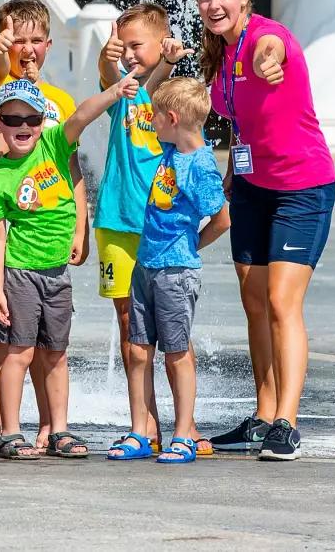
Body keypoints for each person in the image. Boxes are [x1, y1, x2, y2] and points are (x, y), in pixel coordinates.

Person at [195, 0, 334, 461]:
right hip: (252, 188)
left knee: (280, 301)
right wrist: (234, 169)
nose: (213, 5)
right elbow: (239, 118)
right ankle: (263, 414)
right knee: (254, 301)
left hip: (302, 187)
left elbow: (270, 50)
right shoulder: (221, 51)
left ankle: (286, 425)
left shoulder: (265, 38)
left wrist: (268, 61)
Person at [0, 76, 137, 460]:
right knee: (19, 353)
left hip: (57, 274)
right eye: (12, 119)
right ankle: (10, 432)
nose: (23, 126)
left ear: (43, 122)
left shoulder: (53, 145)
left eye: (32, 119)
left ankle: (59, 428)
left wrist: (113, 93)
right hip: (20, 273)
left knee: (56, 353)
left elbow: (81, 116)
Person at [95, 3, 212, 454]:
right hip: (116, 222)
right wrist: (107, 57)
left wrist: (166, 61)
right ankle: (144, 424)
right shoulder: (124, 91)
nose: (128, 53)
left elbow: (157, 85)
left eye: (135, 45)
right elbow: (111, 78)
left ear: (161, 44)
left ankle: (186, 425)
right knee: (133, 330)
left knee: (174, 334)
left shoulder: (168, 105)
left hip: (159, 229)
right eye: (122, 45)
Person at [0, 0, 88, 450]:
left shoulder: (59, 101)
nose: (27, 49)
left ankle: (49, 424)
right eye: (16, 40)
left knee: (47, 345)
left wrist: (80, 226)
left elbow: (71, 170)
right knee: (8, 342)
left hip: (45, 237)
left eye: (36, 40)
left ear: (48, 45)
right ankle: (1, 425)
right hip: (4, 230)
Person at [106, 78, 229, 463]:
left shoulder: (200, 165)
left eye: (155, 115)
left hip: (176, 271)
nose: (150, 120)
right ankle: (140, 431)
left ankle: (182, 435)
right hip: (146, 265)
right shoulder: (170, 150)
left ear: (172, 119)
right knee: (138, 350)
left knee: (176, 352)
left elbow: (222, 219)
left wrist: (190, 246)